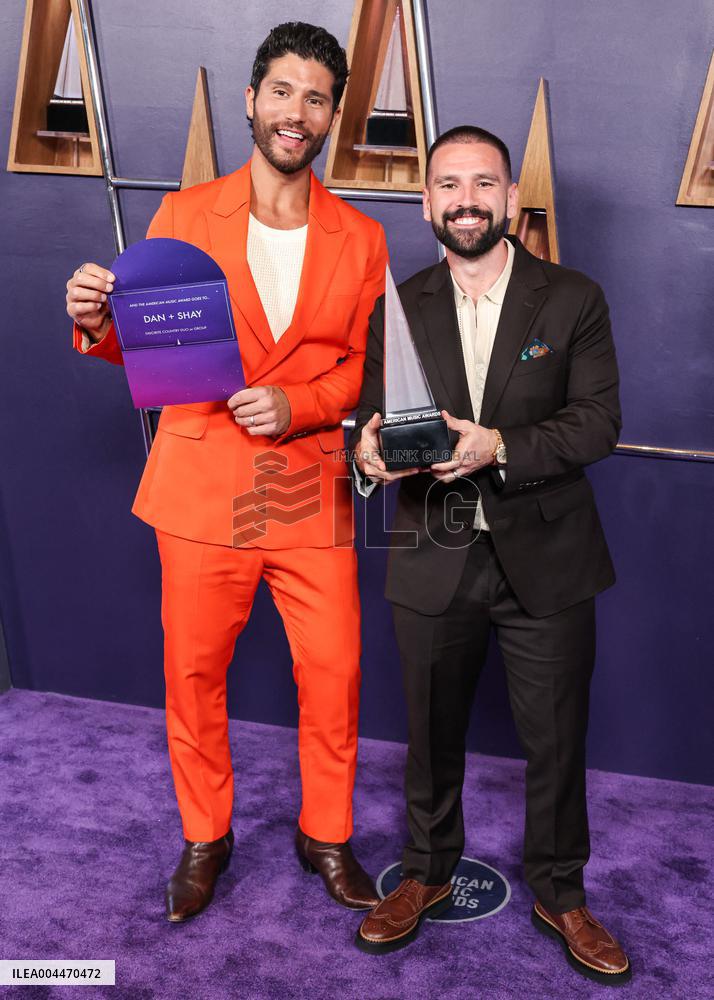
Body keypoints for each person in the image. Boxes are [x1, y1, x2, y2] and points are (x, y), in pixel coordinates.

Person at [66, 22, 387, 923]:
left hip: (305, 488)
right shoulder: (182, 214)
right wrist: (97, 320)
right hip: (202, 485)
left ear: (331, 116)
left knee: (335, 673)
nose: (297, 111)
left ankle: (326, 833)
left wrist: (301, 407)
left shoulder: (361, 238)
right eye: (282, 91)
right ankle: (206, 838)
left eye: (316, 97)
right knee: (193, 676)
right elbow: (149, 349)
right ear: (253, 101)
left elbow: (357, 369)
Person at [351, 126, 630, 984]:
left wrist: (497, 445)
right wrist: (365, 457)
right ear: (426, 200)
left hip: (546, 558)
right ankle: (427, 872)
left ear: (510, 197)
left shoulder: (573, 297)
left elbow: (596, 424)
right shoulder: (397, 306)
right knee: (429, 733)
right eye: (447, 185)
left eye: (483, 184)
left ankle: (560, 890)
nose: (465, 200)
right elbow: (376, 424)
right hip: (432, 555)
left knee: (556, 739)